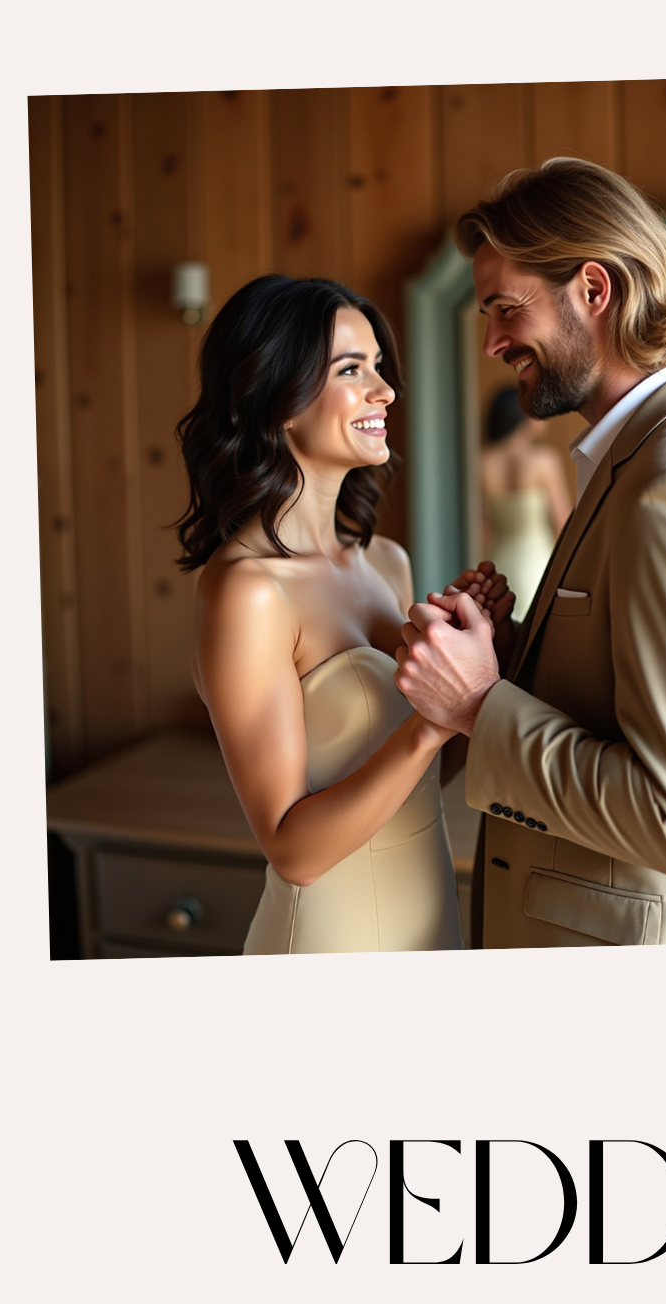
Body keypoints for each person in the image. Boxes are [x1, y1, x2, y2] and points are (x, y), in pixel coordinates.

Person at [393, 158, 666, 947]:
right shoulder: (639, 462)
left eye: (506, 308)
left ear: (593, 289)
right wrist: (510, 667)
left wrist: (480, 706)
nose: (490, 342)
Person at [180, 275, 463, 953]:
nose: (384, 389)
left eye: (377, 366)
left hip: (429, 925)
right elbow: (293, 849)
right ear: (273, 397)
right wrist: (429, 725)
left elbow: (418, 781)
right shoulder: (248, 592)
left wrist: (472, 680)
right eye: (350, 369)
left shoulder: (385, 563)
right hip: (330, 941)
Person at [478, 386, 573, 623]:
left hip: (499, 563)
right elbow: (564, 523)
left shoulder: (482, 462)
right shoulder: (544, 460)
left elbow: (484, 527)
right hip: (537, 563)